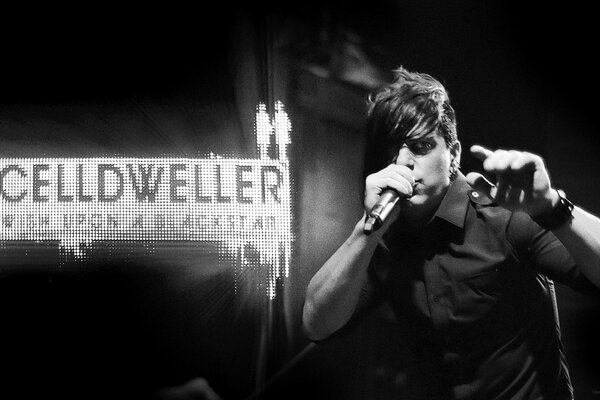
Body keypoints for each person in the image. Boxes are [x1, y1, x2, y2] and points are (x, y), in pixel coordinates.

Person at [302, 66, 600, 399]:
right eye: (392, 150)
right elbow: (316, 323)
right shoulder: (386, 239)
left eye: (421, 146)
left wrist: (552, 207)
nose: (403, 161)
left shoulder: (502, 217)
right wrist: (366, 230)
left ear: (454, 153)